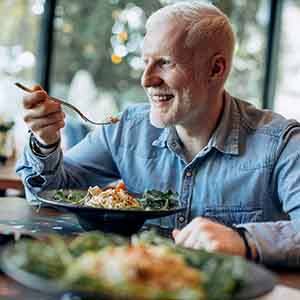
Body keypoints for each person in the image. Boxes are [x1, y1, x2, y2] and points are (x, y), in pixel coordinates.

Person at [17, 1, 300, 267]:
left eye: (165, 62)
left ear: (216, 69)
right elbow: (44, 195)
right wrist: (46, 142)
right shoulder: (127, 129)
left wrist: (245, 240)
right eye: (145, 62)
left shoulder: (281, 143)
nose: (146, 79)